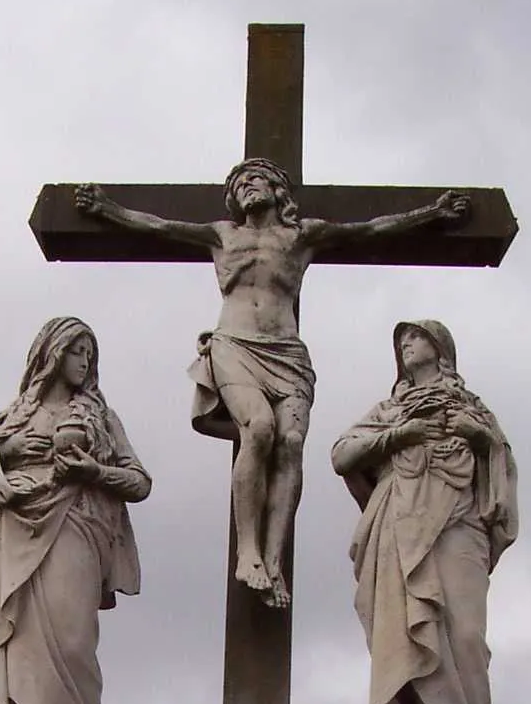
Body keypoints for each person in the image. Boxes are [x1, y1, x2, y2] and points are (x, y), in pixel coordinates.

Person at [77, 165, 467, 608]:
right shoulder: (221, 235)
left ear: (277, 191)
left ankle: (274, 561)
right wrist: (107, 210)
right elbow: (159, 226)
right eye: (238, 185)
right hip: (235, 345)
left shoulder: (301, 237)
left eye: (253, 181)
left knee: (291, 441)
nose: (244, 189)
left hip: (286, 352)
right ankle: (249, 552)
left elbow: (372, 229)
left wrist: (432, 214)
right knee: (258, 428)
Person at [331, 320, 517, 704]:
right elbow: (342, 453)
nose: (405, 345)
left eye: (414, 337)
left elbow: (501, 471)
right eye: (401, 341)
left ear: (439, 348)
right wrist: (399, 435)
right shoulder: (390, 410)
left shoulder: (473, 407)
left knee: (467, 640)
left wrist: (482, 439)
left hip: (459, 527)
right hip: (403, 529)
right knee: (415, 643)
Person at [0, 317, 150, 704]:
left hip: (76, 530)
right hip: (17, 540)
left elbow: (140, 482)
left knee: (72, 647)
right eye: (77, 350)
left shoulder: (101, 420)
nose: (85, 361)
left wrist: (93, 471)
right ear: (51, 354)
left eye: (90, 352)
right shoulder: (10, 421)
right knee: (23, 646)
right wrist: (6, 451)